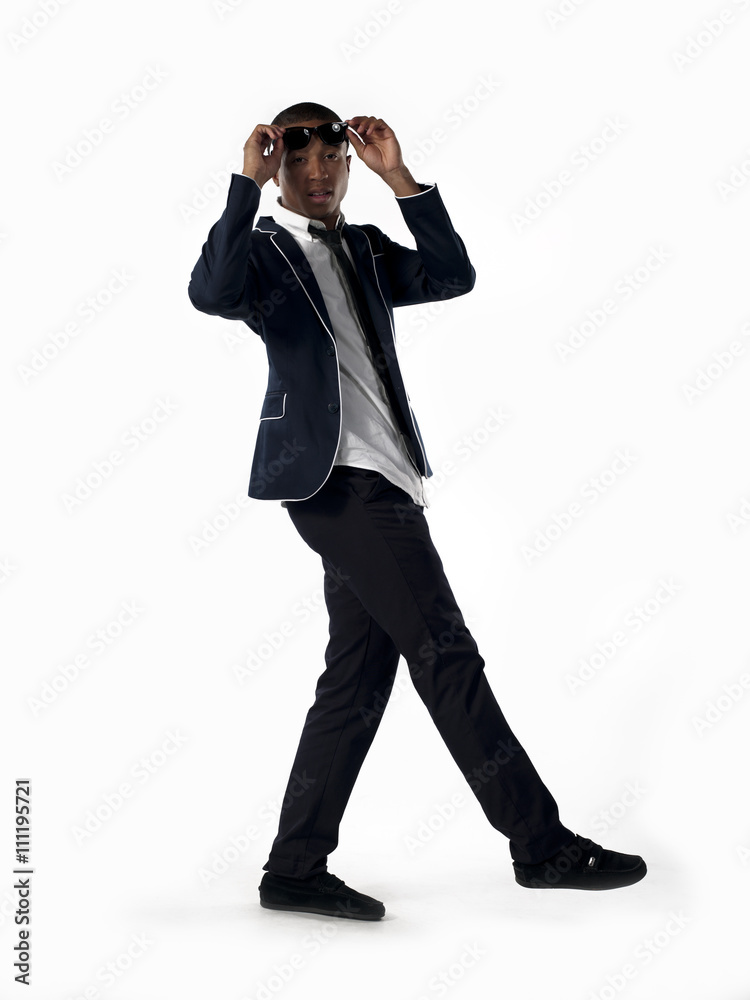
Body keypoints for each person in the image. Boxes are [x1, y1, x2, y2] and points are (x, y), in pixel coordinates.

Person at [187, 101, 647, 921]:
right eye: (301, 162)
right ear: (280, 170)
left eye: (333, 161)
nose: (320, 174)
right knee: (447, 655)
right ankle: (541, 846)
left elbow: (450, 274)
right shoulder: (258, 251)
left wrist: (401, 179)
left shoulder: (364, 246)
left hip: (389, 481)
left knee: (356, 679)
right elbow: (210, 293)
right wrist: (243, 186)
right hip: (334, 482)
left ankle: (294, 868)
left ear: (347, 166)